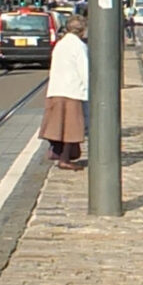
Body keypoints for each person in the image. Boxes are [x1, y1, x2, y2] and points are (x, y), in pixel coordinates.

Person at [41, 12, 89, 169]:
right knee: (72, 127)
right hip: (72, 91)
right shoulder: (80, 46)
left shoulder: (60, 44)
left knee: (56, 124)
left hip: (55, 90)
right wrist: (88, 94)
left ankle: (56, 150)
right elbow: (84, 71)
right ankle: (64, 159)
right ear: (82, 30)